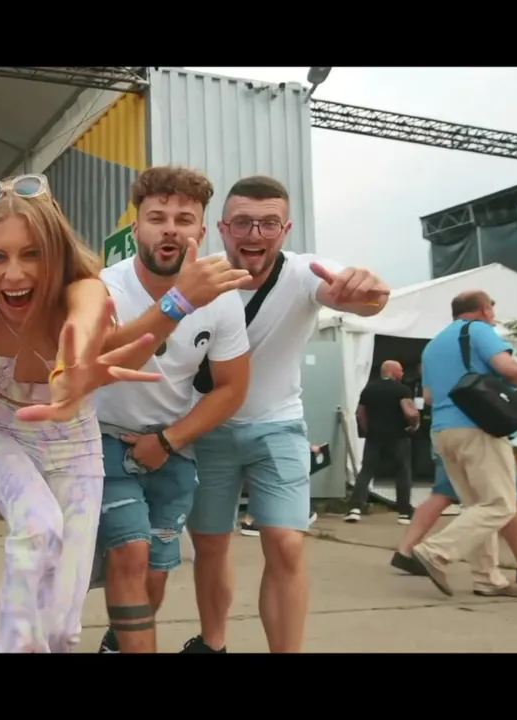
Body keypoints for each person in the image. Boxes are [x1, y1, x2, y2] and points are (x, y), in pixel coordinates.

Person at [114, 175, 390, 653]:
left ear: (286, 229)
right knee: (211, 544)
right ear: (221, 229)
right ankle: (213, 642)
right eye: (242, 222)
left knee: (286, 542)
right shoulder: (202, 279)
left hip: (278, 423)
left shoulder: (305, 273)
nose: (255, 234)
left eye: (268, 224)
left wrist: (370, 292)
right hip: (206, 430)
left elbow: (360, 297)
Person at [0, 173, 165, 653]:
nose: (14, 274)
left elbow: (81, 325)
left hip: (74, 445)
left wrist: (69, 367)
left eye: (32, 254)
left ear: (57, 254)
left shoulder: (84, 290)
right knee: (37, 525)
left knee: (63, 629)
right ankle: (12, 644)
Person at [90, 166, 252, 654]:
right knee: (130, 552)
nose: (170, 230)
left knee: (157, 574)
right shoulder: (105, 287)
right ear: (135, 226)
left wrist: (168, 441)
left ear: (201, 231)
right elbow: (107, 360)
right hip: (104, 439)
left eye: (184, 220)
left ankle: (117, 644)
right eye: (157, 217)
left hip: (172, 448)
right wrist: (180, 301)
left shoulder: (223, 299)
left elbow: (232, 388)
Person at [411, 290, 517, 598]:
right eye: (492, 311)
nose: (493, 317)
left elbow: (429, 397)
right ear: (484, 309)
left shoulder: (433, 345)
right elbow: (510, 369)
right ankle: (435, 551)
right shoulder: (478, 331)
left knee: (478, 506)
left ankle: (487, 579)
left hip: (443, 432)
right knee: (501, 504)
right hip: (477, 428)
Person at [392, 449, 517, 588]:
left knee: (444, 495)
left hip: (446, 433)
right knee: (506, 500)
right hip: (480, 436)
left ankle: (406, 551)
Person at [346, 360, 420, 524]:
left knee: (366, 471)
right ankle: (404, 512)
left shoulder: (369, 389)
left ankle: (354, 509)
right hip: (398, 436)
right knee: (402, 471)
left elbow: (361, 414)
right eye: (400, 370)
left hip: (374, 436)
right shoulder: (402, 390)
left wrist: (368, 430)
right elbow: (411, 412)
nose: (402, 373)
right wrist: (414, 425)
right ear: (392, 371)